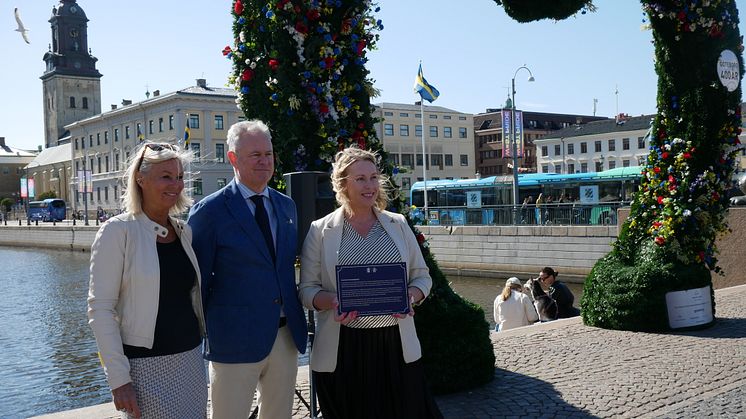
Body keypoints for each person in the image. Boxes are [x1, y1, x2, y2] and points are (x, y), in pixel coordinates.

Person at [299, 147, 443, 419]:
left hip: (396, 345)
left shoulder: (398, 224)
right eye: (361, 179)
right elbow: (307, 291)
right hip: (344, 349)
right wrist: (332, 301)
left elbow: (422, 277)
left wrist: (410, 297)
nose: (370, 186)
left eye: (374, 177)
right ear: (343, 184)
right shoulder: (320, 230)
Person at [188, 120, 308, 419]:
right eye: (255, 155)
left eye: (268, 153)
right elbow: (196, 283)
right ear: (232, 158)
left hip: (285, 338)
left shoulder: (286, 206)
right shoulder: (209, 212)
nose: (264, 161)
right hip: (233, 341)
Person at [87, 142, 207, 418]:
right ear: (140, 179)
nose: (175, 185)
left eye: (179, 177)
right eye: (166, 176)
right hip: (145, 368)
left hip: (190, 360)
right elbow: (100, 309)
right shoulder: (118, 232)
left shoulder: (183, 231)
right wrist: (119, 379)